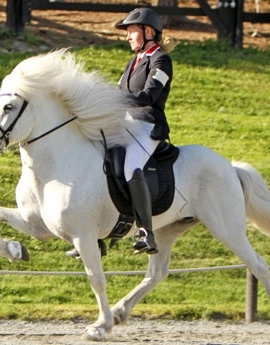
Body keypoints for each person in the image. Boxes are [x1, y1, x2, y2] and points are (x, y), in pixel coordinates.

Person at [115, 7, 177, 255]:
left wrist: (116, 101)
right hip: (127, 123)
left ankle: (146, 232)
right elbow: (119, 90)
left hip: (148, 125)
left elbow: (149, 95)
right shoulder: (134, 61)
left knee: (131, 167)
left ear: (148, 31)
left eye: (131, 32)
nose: (128, 37)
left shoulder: (161, 60)